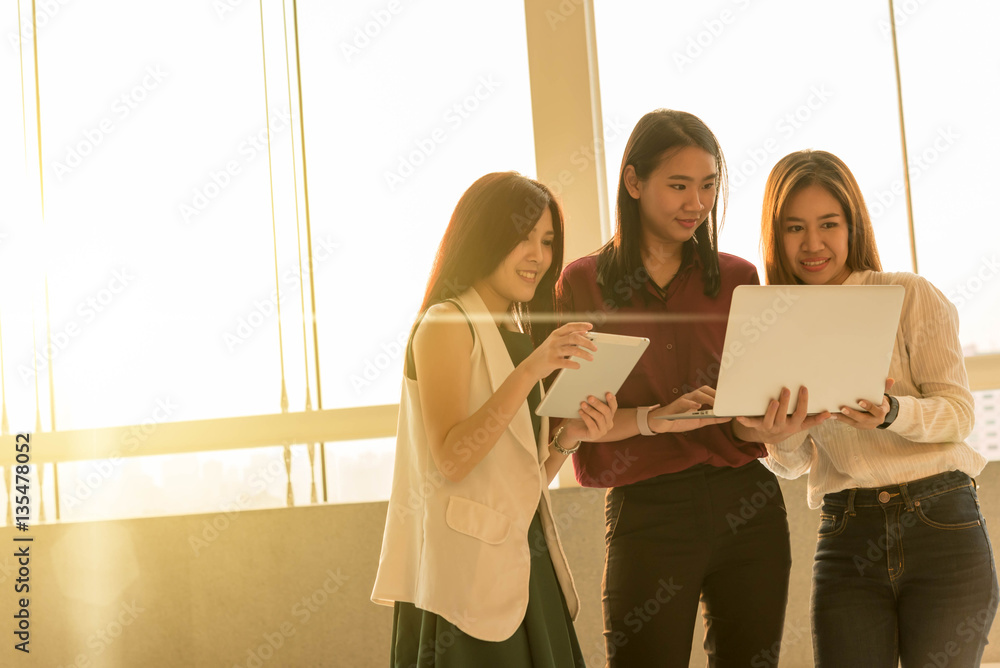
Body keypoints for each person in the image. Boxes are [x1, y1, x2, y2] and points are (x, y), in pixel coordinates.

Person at [737, 149, 997, 667]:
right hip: (847, 533)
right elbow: (791, 464)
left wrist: (892, 413)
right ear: (775, 234)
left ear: (852, 224)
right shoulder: (772, 321)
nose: (813, 244)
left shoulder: (909, 295)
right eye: (794, 228)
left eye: (828, 224)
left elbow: (959, 414)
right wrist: (780, 431)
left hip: (942, 522)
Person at [555, 109, 791, 667]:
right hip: (647, 511)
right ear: (634, 183)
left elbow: (745, 408)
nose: (697, 204)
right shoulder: (583, 283)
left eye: (709, 186)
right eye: (679, 186)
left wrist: (763, 423)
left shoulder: (737, 278)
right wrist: (655, 415)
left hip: (746, 502)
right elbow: (572, 419)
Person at [372, 171, 618, 667]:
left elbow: (516, 480)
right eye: (522, 238)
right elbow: (452, 460)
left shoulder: (515, 333)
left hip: (526, 569)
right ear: (484, 238)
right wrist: (532, 370)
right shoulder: (446, 322)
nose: (539, 256)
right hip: (464, 581)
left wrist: (568, 438)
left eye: (547, 242)